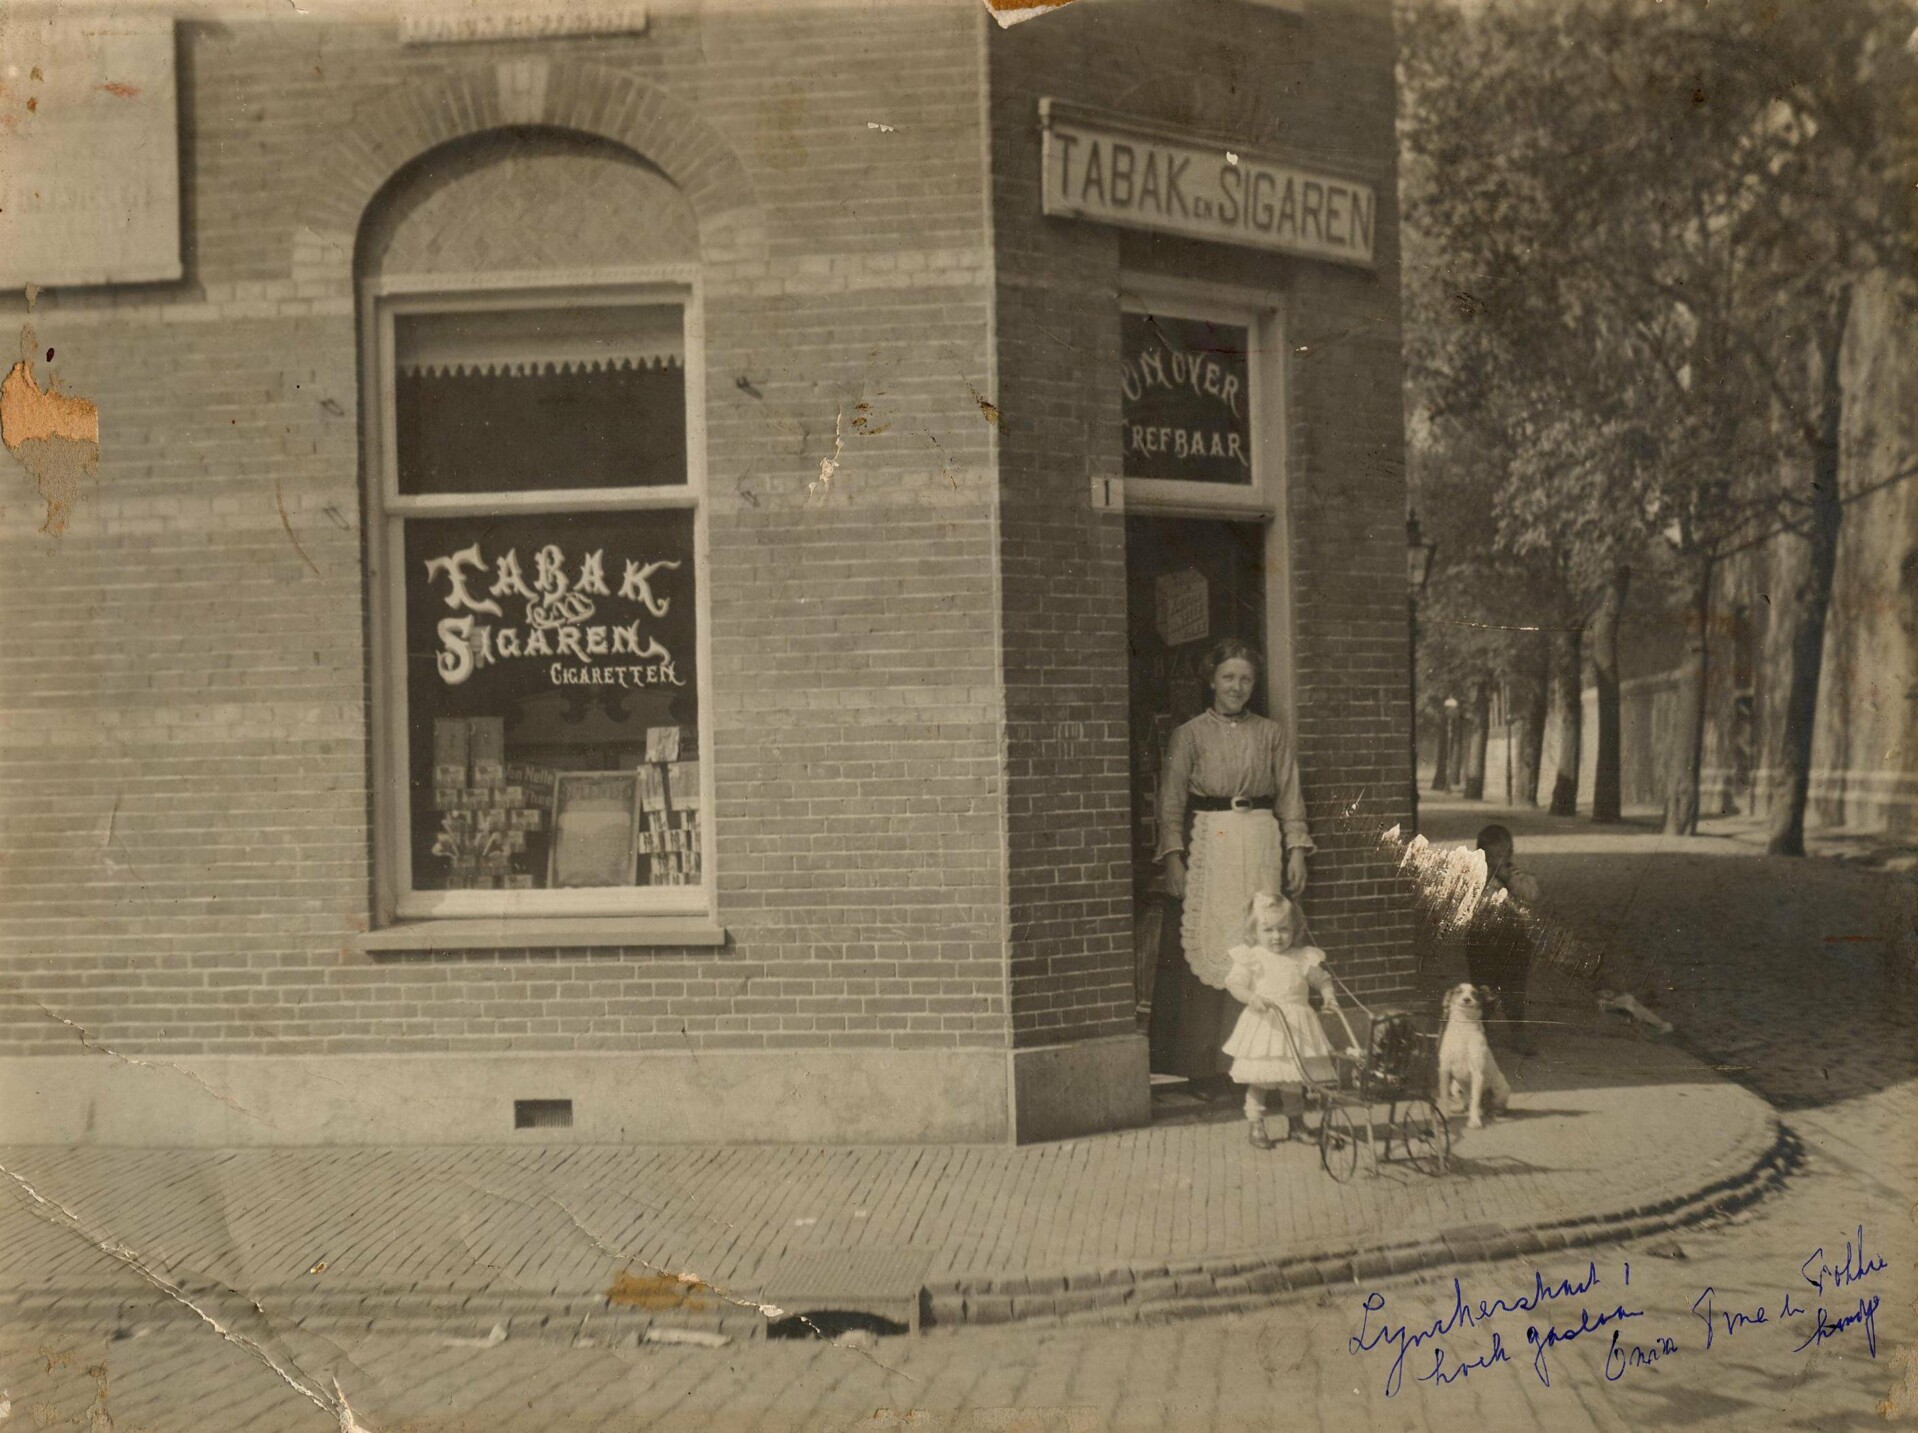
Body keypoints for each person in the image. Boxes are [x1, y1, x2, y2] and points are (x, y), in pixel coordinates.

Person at [1153, 638, 1314, 1094]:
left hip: (1262, 838)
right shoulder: (1188, 735)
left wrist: (1296, 849)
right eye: (1228, 678)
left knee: (1259, 941)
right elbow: (1170, 803)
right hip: (1212, 839)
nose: (1236, 687)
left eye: (1245, 679)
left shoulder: (1271, 734)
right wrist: (1173, 857)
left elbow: (1289, 795)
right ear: (1211, 681)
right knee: (1214, 943)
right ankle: (1205, 1066)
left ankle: (1257, 1066)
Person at [1222, 892, 1342, 1147]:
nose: (1276, 937)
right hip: (1267, 1024)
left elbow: (1322, 979)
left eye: (1283, 929)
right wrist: (1251, 997)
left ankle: (1296, 1123)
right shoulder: (1253, 956)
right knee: (1261, 1078)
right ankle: (1256, 1124)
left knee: (1293, 1078)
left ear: (1294, 930)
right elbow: (1235, 983)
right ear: (1255, 931)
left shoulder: (1301, 957)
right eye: (1268, 930)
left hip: (1298, 1026)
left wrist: (1328, 995)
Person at [1464, 823, 1541, 1055]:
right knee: (1484, 990)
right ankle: (1481, 1033)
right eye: (1498, 856)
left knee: (1514, 990)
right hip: (1483, 942)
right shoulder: (1477, 880)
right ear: (1483, 857)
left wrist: (1512, 882)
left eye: (1508, 854)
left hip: (1515, 942)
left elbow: (1533, 894)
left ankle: (1518, 1034)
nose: (1504, 860)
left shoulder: (1517, 876)